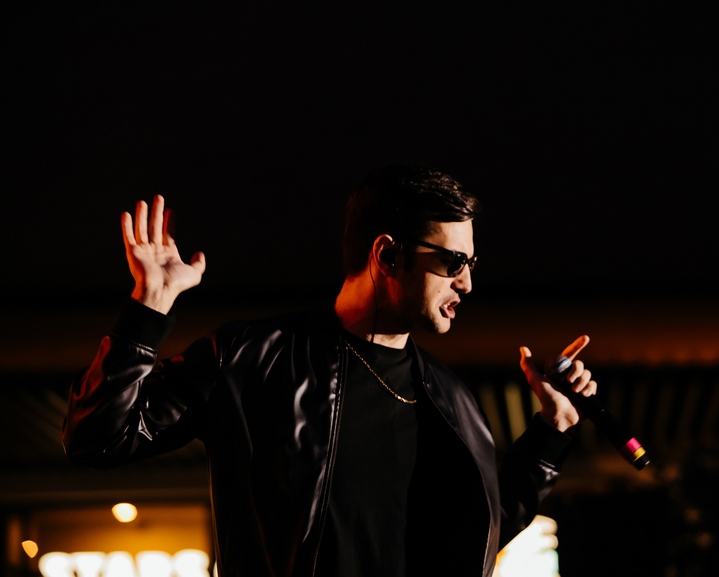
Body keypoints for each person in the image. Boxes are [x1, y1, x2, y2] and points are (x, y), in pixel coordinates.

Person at [62, 165, 597, 577]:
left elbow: (480, 529)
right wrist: (149, 305)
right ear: (387, 255)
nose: (467, 284)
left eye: (471, 264)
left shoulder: (451, 399)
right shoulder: (251, 359)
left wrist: (553, 430)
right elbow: (96, 438)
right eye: (453, 262)